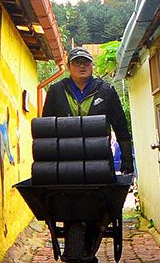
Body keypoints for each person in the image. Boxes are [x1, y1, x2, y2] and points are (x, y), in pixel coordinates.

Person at [41, 46, 134, 176]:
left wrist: (127, 163)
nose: (82, 66)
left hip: (101, 161)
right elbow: (46, 130)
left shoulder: (106, 91)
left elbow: (121, 128)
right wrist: (46, 166)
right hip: (65, 163)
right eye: (77, 62)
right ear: (68, 66)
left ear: (92, 65)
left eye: (86, 62)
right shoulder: (56, 91)